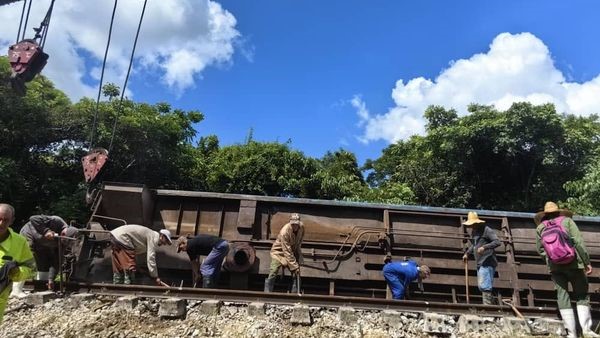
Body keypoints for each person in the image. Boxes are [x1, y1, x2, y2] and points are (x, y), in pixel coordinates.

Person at [535, 201, 599, 338]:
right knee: (581, 294)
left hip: (555, 267)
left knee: (562, 296)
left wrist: (551, 261)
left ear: (544, 214)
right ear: (559, 212)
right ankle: (587, 331)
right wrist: (587, 262)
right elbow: (579, 243)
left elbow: (540, 250)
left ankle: (572, 334)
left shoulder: (540, 227)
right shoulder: (567, 221)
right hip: (574, 264)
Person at [0, 204, 35, 322]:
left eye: (5, 220)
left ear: (12, 221)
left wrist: (17, 273)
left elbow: (30, 268)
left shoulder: (20, 242)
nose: (1, 223)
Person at [18, 215, 71, 290]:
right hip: (29, 233)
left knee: (44, 263)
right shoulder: (57, 221)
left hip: (40, 244)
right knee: (27, 259)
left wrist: (51, 279)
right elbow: (33, 218)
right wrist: (46, 231)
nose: (62, 236)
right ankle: (16, 289)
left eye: (63, 239)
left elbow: (56, 261)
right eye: (63, 234)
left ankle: (42, 286)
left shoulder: (61, 244)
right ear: (66, 229)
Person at [462, 211, 501, 305]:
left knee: (485, 285)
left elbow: (497, 242)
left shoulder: (487, 230)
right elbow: (474, 245)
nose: (472, 226)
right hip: (480, 261)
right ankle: (490, 305)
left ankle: (488, 306)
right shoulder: (474, 232)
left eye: (473, 224)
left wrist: (485, 247)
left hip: (488, 260)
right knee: (482, 285)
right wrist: (467, 253)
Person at [264, 213, 304, 293]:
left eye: (296, 224)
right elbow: (286, 250)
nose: (295, 226)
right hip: (278, 252)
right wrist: (294, 265)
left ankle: (294, 293)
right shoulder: (284, 232)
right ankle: (267, 292)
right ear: (290, 223)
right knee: (274, 270)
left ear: (299, 223)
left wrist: (299, 255)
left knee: (296, 273)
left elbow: (299, 242)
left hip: (291, 252)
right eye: (293, 224)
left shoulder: (302, 227)